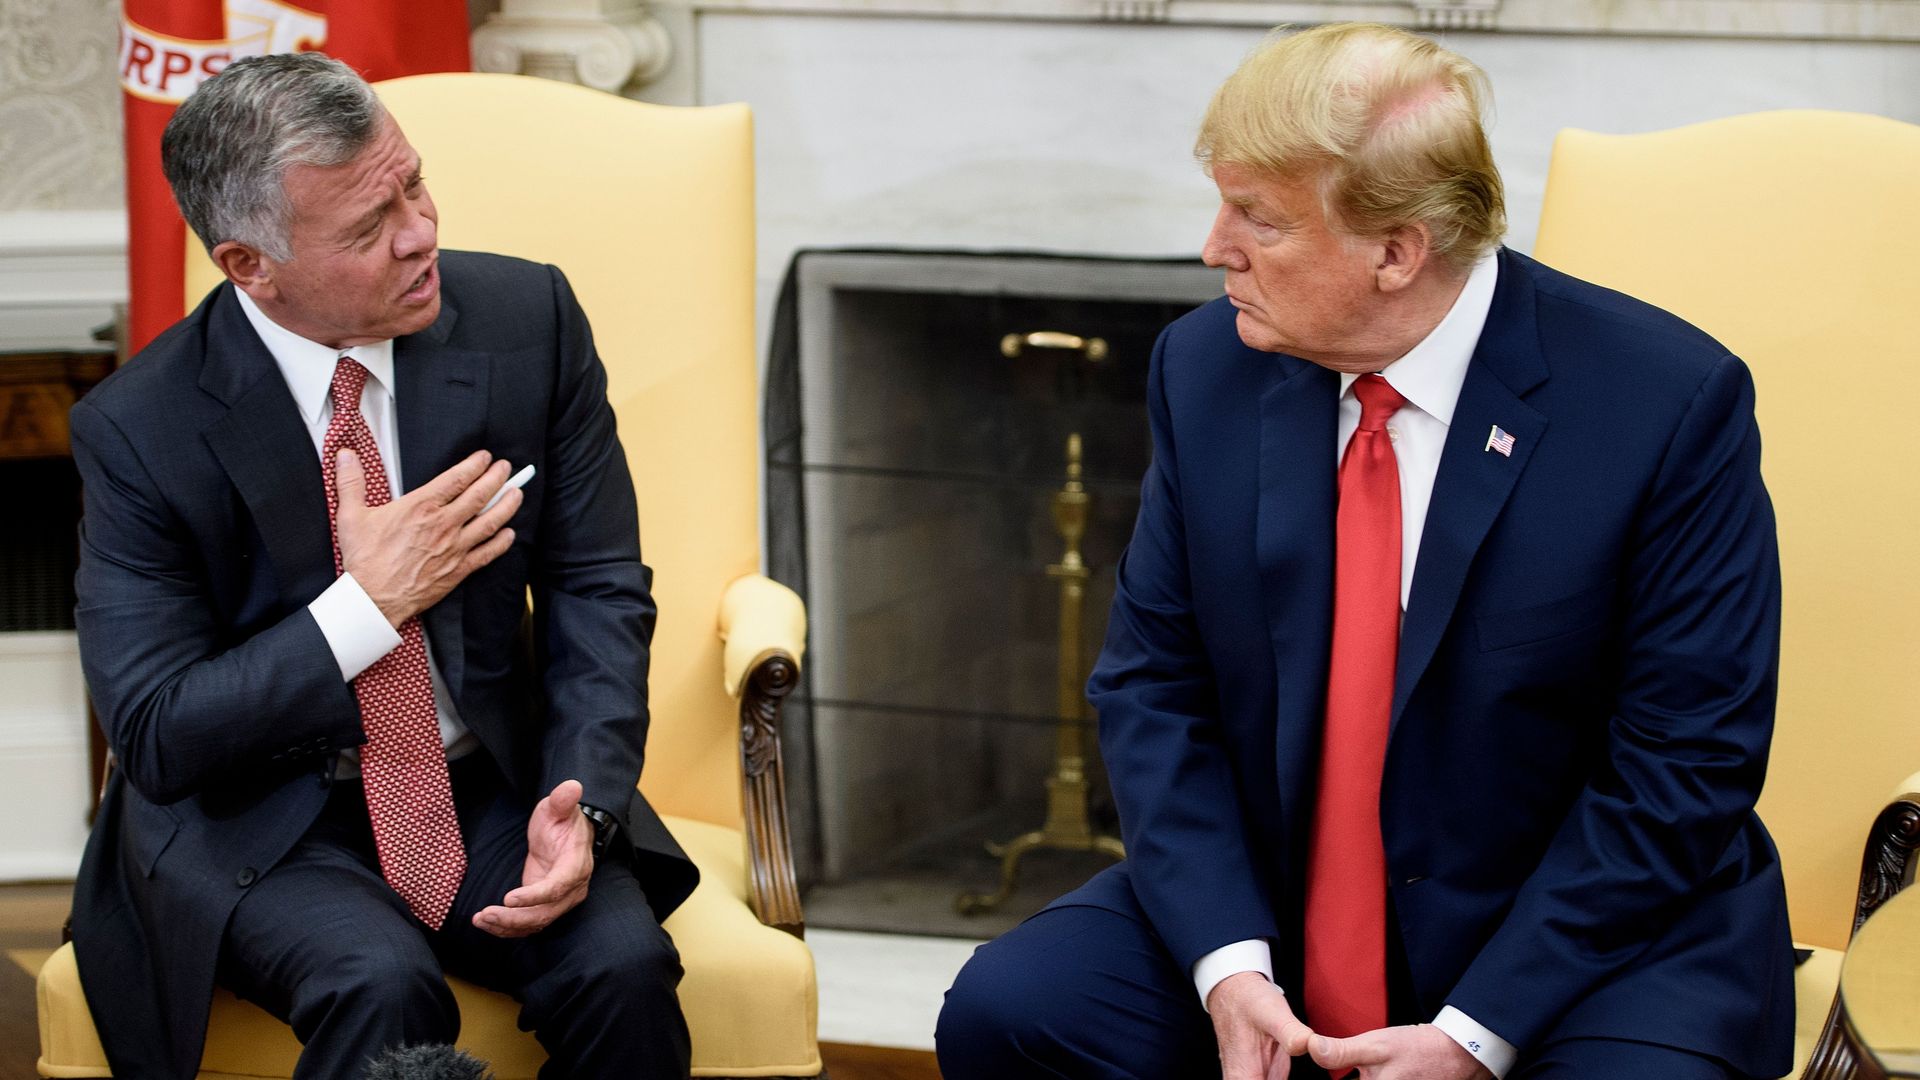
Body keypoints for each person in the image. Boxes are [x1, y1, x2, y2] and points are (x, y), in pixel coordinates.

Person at [937, 23, 1793, 1080]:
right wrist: (1231, 968)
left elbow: (1683, 766)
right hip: (1279, 895)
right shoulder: (1206, 369)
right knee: (1013, 1011)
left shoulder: (1664, 404)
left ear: (1397, 251)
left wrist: (1474, 1034)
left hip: (1580, 933)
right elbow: (1153, 686)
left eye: (1258, 218)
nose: (1215, 247)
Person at [68, 52, 696, 1080]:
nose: (419, 232)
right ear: (249, 265)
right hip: (264, 820)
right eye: (368, 228)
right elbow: (160, 734)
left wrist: (583, 802)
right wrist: (367, 604)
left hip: (484, 784)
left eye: (413, 182)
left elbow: (598, 588)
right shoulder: (139, 430)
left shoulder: (527, 322)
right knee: (381, 985)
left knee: (622, 966)